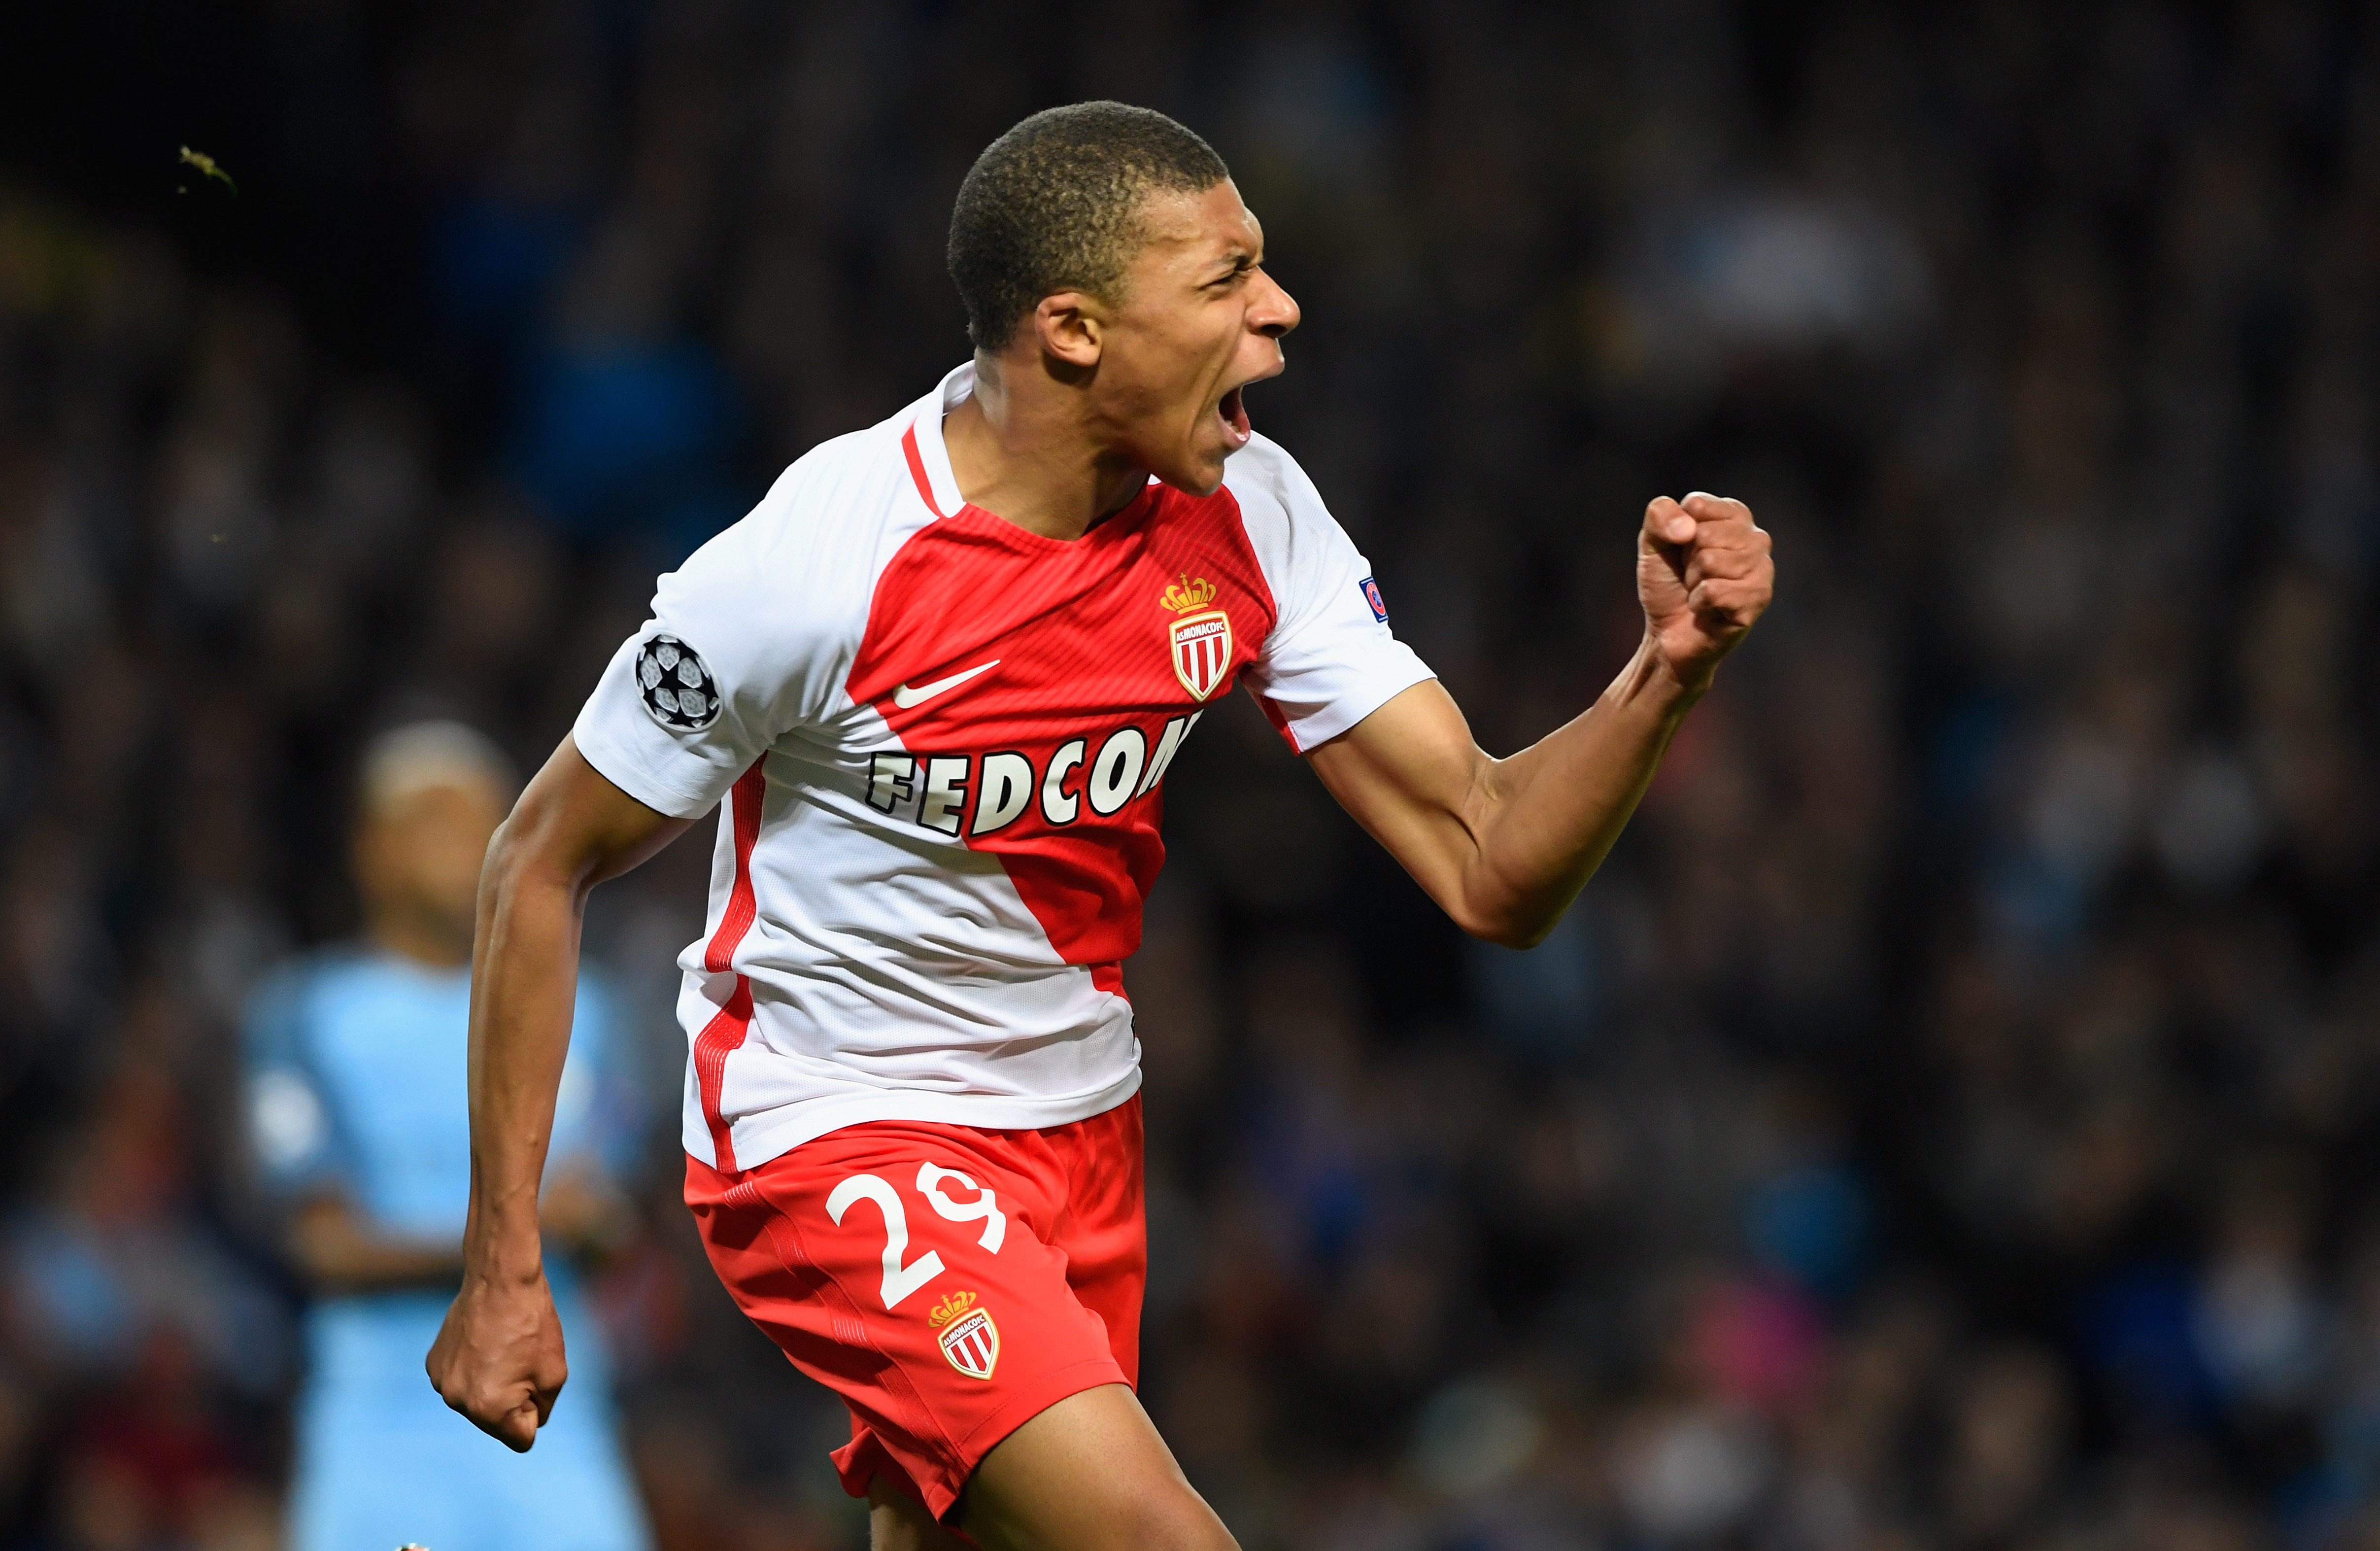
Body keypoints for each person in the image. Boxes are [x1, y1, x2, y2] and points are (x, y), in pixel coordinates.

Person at [427, 101, 1774, 1551]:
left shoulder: (1250, 509)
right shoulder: (816, 564)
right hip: (838, 1131)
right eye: (1223, 280)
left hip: (1079, 1133)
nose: (1279, 311)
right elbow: (536, 857)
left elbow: (1489, 860)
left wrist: (1665, 672)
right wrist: (503, 1262)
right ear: (1072, 330)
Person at [245, 721, 651, 1551]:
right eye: (434, 818)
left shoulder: (591, 1011)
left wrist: (601, 1227)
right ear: (372, 849)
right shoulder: (304, 1016)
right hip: (378, 1429)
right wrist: (516, 1243)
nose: (465, 843)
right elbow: (322, 1247)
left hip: (554, 1425)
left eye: (486, 820)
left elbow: (611, 1215)